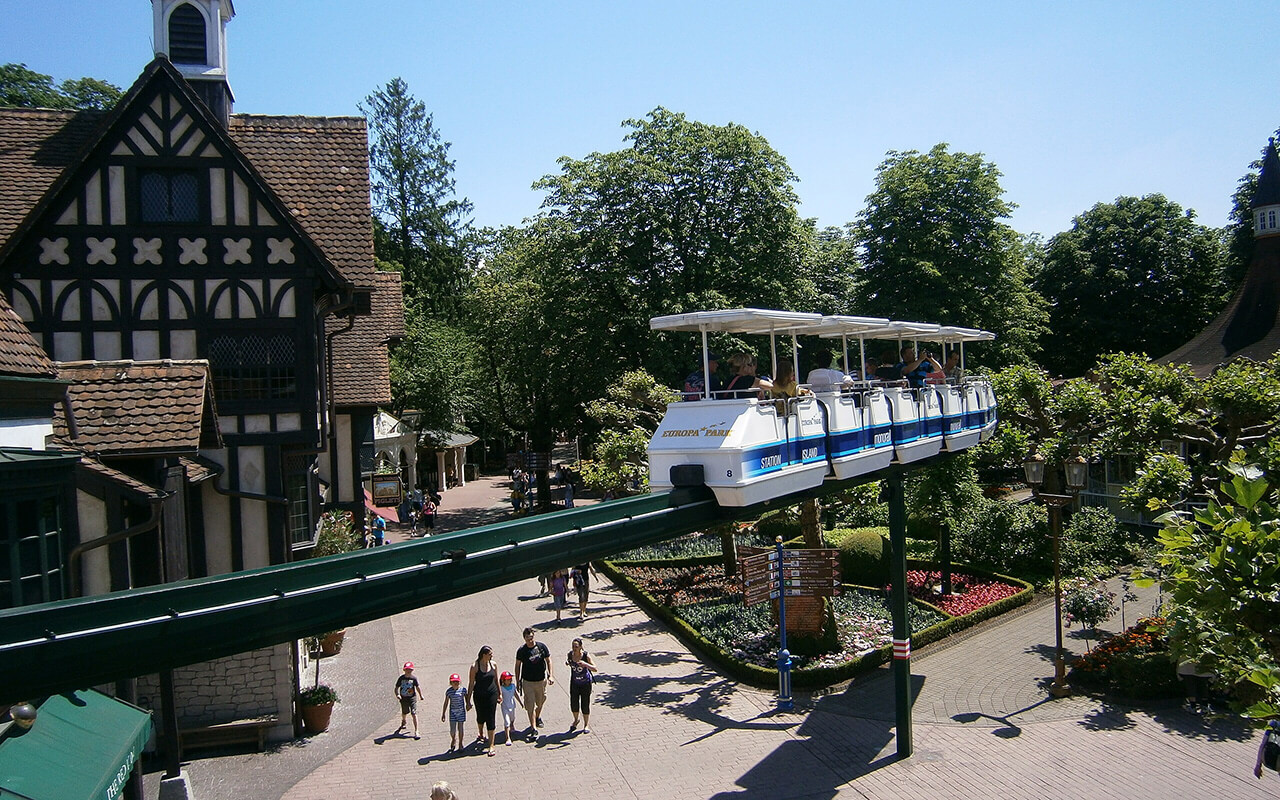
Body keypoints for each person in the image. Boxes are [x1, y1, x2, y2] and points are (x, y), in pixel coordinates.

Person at [515, 627, 554, 739]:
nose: (530, 641)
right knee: (530, 705)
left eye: (531, 638)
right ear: (524, 639)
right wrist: (518, 681)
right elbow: (517, 666)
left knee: (541, 701)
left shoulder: (542, 647)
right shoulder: (522, 651)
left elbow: (548, 660)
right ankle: (533, 728)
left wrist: (551, 675)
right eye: (528, 639)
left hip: (541, 680)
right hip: (528, 682)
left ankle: (537, 717)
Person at [467, 645, 499, 756]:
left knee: (491, 718)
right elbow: (471, 684)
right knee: (480, 717)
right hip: (479, 695)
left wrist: (499, 694)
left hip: (492, 694)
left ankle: (491, 745)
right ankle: (481, 733)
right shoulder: (475, 667)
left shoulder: (493, 665)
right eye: (490, 654)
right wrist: (468, 700)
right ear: (484, 655)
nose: (492, 655)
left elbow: (496, 680)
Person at [566, 638, 599, 734]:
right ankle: (576, 720)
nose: (574, 648)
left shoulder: (585, 655)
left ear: (580, 647)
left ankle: (586, 725)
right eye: (573, 646)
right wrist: (568, 663)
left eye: (576, 646)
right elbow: (569, 662)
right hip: (574, 683)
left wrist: (585, 664)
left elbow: (595, 668)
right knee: (574, 704)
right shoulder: (570, 655)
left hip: (585, 683)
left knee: (585, 704)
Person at [394, 661, 424, 739]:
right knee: (405, 712)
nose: (408, 671)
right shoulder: (401, 678)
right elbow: (396, 688)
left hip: (412, 698)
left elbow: (417, 687)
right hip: (403, 698)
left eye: (410, 670)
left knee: (414, 713)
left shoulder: (413, 679)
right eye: (407, 670)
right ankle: (403, 720)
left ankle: (416, 731)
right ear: (404, 670)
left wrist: (421, 695)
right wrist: (397, 694)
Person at [441, 673, 467, 753]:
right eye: (453, 682)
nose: (455, 683)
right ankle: (453, 739)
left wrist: (468, 704)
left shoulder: (463, 690)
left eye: (457, 682)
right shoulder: (449, 692)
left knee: (461, 729)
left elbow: (467, 698)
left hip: (461, 712)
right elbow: (446, 702)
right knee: (452, 730)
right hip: (452, 712)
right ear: (450, 683)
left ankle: (460, 743)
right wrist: (443, 713)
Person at [498, 670, 524, 746]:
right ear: (503, 680)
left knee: (512, 718)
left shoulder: (512, 686)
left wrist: (521, 702)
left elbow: (516, 694)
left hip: (512, 706)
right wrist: (499, 699)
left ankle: (512, 725)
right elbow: (499, 696)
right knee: (507, 722)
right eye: (507, 679)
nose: (509, 680)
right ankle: (508, 738)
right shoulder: (501, 688)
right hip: (505, 707)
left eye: (510, 679)